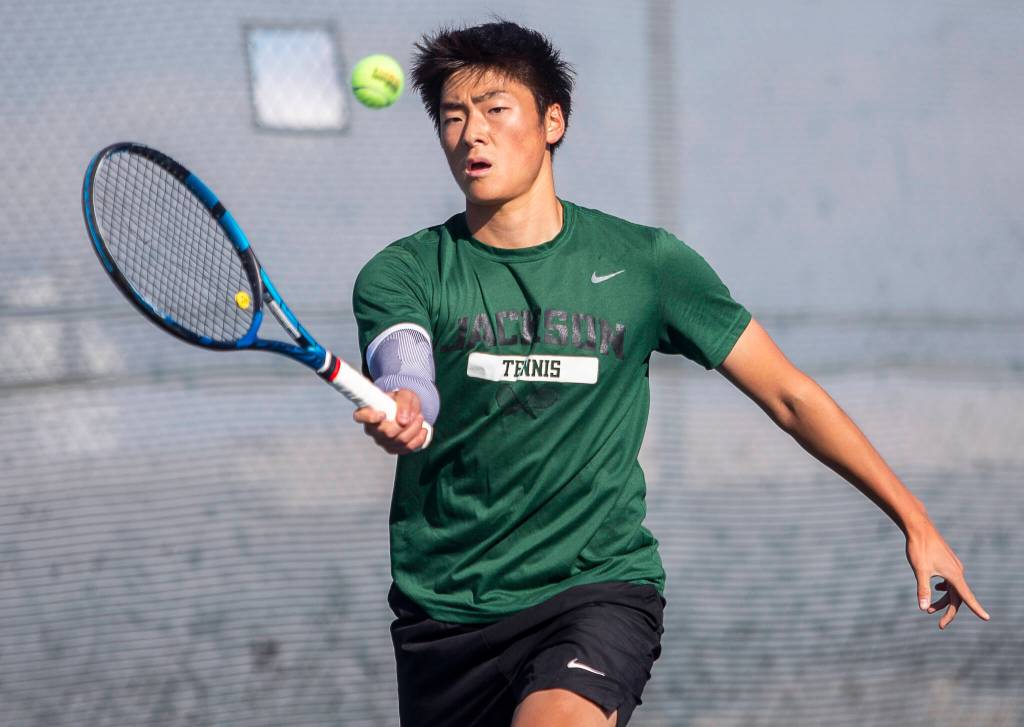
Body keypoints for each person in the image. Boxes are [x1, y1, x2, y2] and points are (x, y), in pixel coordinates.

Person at [351, 20, 990, 727]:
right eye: (453, 116)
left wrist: (914, 519)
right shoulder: (404, 272)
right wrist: (409, 398)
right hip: (444, 614)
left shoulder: (646, 264)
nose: (473, 133)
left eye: (496, 109)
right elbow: (405, 361)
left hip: (594, 591)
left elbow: (789, 395)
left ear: (552, 121)